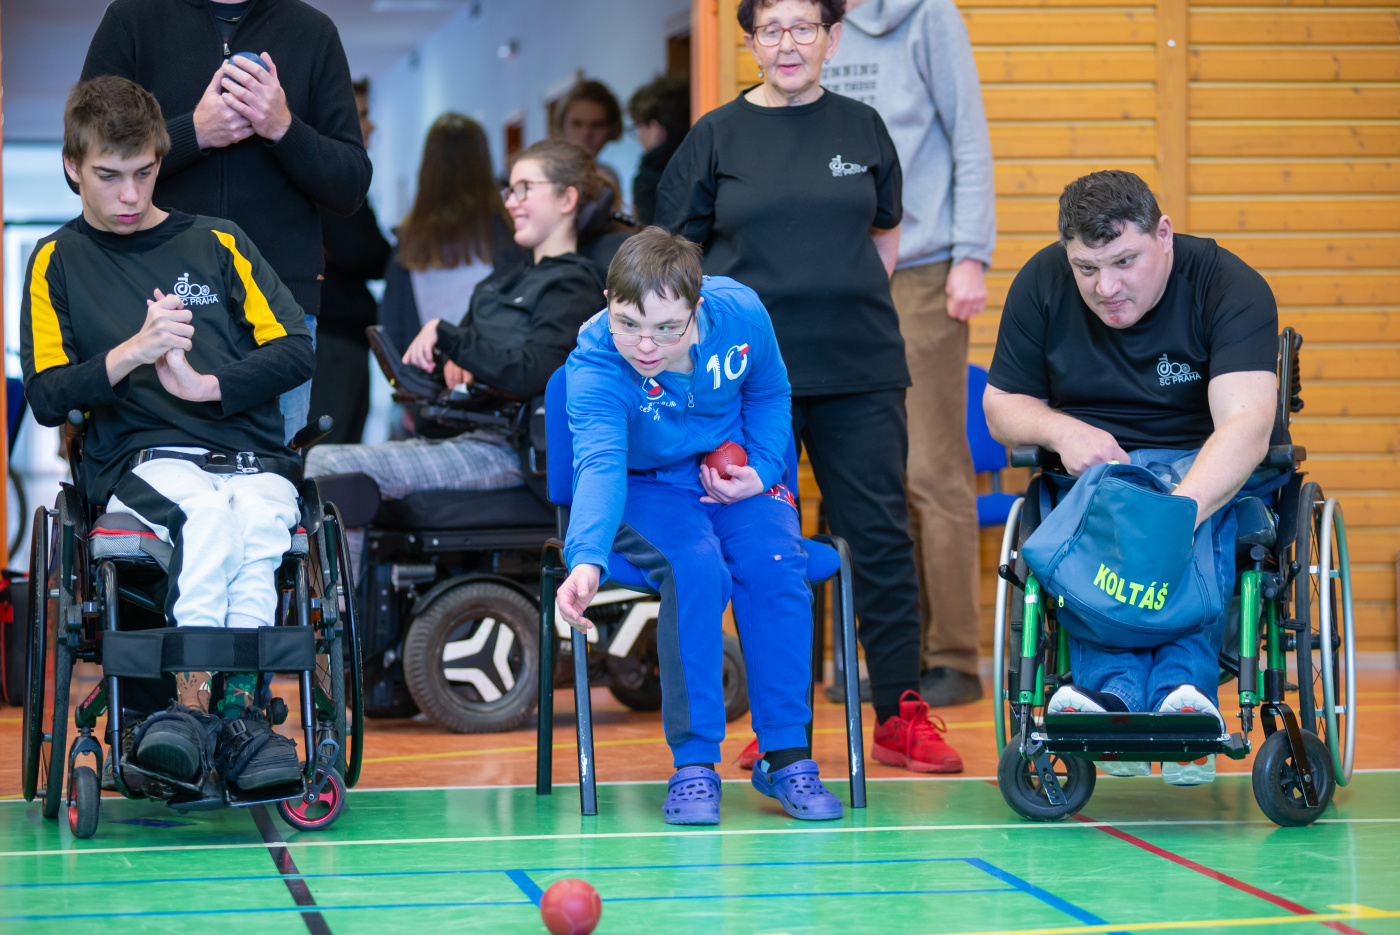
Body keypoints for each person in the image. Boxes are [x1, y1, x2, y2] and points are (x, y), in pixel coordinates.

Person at [656, 0, 962, 775]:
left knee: (880, 535)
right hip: (750, 382)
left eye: (803, 28)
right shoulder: (715, 138)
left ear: (832, 38)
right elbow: (674, 264)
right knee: (763, 543)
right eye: (771, 29)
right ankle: (778, 726)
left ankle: (899, 713)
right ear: (750, 42)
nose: (787, 43)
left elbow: (885, 233)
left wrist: (844, 300)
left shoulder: (863, 128)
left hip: (859, 368)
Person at [21, 77, 315, 790]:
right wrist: (134, 352)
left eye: (144, 173)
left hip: (253, 459)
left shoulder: (217, 240)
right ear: (72, 166)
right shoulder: (57, 260)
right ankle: (190, 707)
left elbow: (296, 349)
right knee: (206, 518)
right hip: (145, 461)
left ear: (160, 159)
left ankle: (238, 717)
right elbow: (48, 396)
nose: (129, 195)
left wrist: (205, 386)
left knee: (261, 531)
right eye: (108, 176)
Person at [984, 170, 1279, 786]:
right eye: (1086, 269)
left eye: (1124, 261)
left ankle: (1182, 693)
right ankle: (1114, 697)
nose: (1106, 287)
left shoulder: (1227, 286)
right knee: (1106, 514)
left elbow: (1246, 424)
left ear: (1163, 234)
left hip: (1200, 467)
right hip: (1095, 475)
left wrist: (1175, 513)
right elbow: (1001, 405)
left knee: (1182, 512)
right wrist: (1063, 432)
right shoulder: (1041, 281)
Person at [557, 228, 844, 825]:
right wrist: (586, 557)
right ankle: (694, 763)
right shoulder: (595, 362)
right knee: (695, 566)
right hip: (645, 488)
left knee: (775, 564)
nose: (645, 345)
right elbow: (600, 464)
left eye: (667, 328)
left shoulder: (741, 314)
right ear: (608, 299)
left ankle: (785, 754)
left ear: (697, 307)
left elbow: (770, 394)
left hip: (731, 479)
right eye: (628, 323)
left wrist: (762, 471)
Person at [81, 0, 373, 444]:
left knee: (273, 478)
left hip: (278, 315)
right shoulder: (133, 19)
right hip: (153, 303)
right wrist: (193, 133)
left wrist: (284, 128)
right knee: (151, 473)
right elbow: (88, 161)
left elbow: (351, 185)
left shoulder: (313, 32)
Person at [833, 0, 996, 707]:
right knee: (874, 475)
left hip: (926, 268)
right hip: (845, 273)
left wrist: (972, 255)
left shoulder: (930, 16)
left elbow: (969, 140)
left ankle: (954, 656)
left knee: (932, 468)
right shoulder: (810, 23)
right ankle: (900, 659)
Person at [304, 140, 606, 499]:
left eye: (524, 188)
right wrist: (451, 360)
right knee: (323, 461)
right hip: (467, 433)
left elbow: (534, 372)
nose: (511, 201)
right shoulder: (500, 283)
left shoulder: (573, 283)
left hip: (512, 449)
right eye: (509, 189)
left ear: (567, 199)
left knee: (330, 465)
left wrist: (447, 337)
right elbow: (465, 352)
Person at [377, 113, 526, 363]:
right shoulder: (507, 231)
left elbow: (392, 326)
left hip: (424, 375)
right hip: (492, 372)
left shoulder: (409, 240)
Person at [310, 77, 391, 445]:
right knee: (331, 451)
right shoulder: (331, 179)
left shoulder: (337, 176)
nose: (371, 125)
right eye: (362, 114)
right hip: (332, 336)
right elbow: (364, 253)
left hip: (338, 333)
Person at [627, 75, 690, 226]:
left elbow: (650, 235)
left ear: (654, 128)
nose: (638, 136)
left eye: (639, 127)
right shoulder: (701, 159)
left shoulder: (647, 179)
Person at [555, 79, 625, 197]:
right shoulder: (546, 176)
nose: (587, 133)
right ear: (563, 126)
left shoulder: (608, 177)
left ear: (611, 129)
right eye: (577, 124)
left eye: (597, 125)